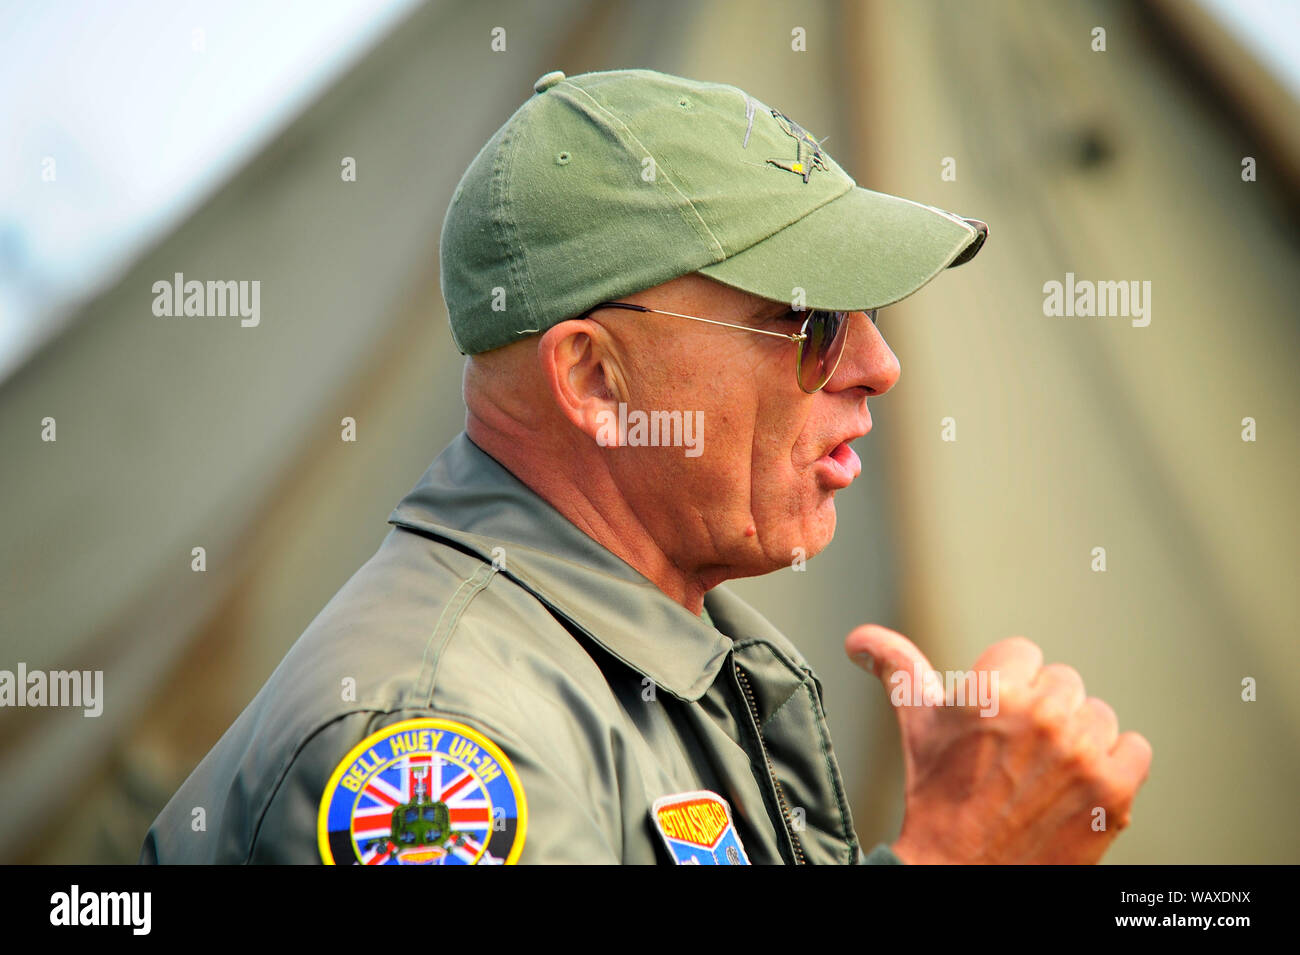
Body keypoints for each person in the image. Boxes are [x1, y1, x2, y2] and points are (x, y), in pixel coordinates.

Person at [140, 67, 1150, 865]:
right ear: (593, 377)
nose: (878, 366)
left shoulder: (639, 650)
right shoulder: (434, 746)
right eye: (808, 318)